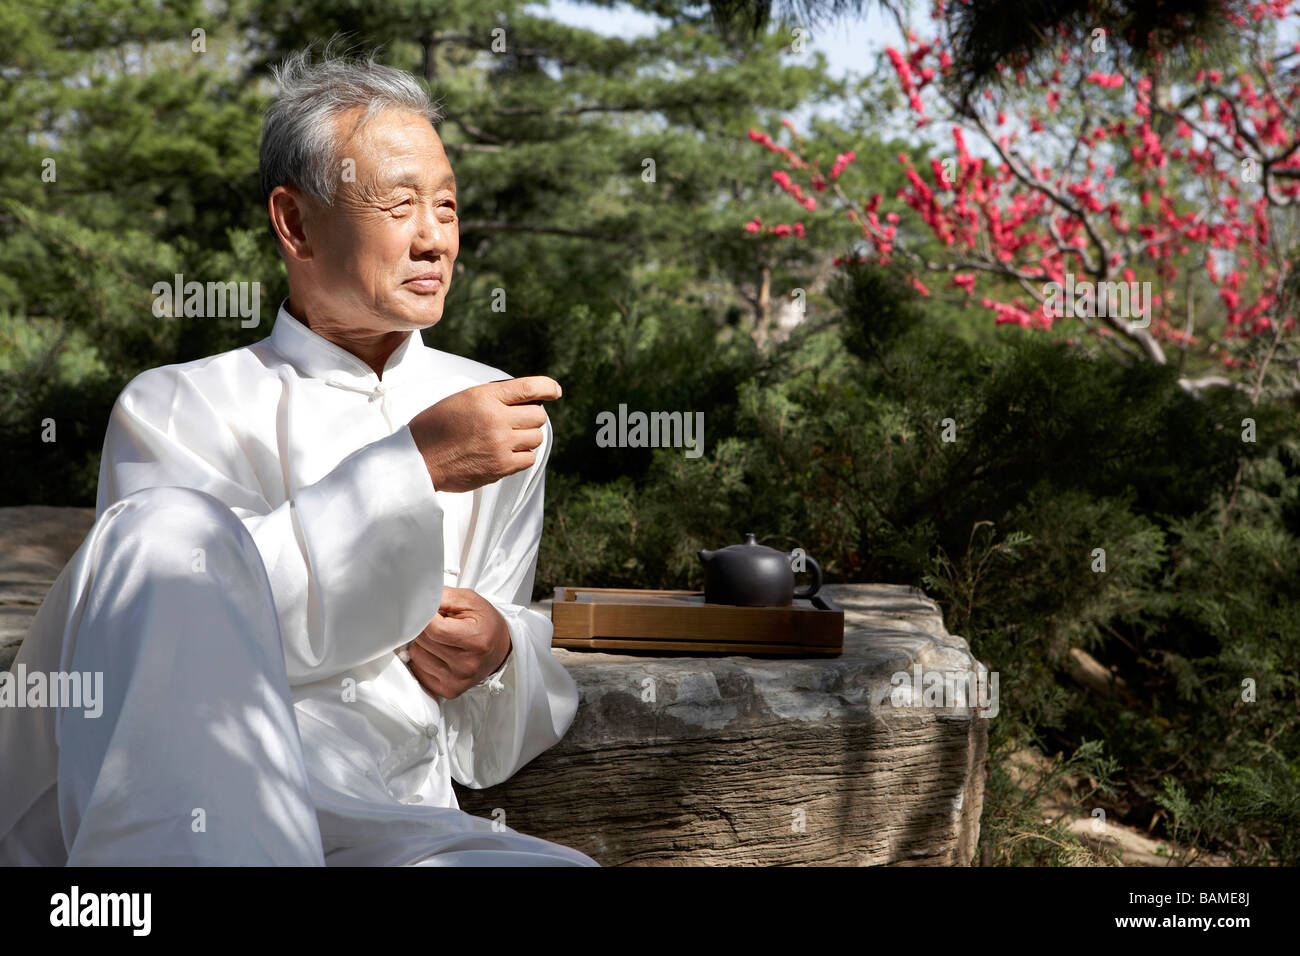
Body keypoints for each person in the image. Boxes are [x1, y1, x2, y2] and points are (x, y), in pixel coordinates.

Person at [0, 46, 598, 867]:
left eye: (449, 207)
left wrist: (496, 652)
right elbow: (176, 635)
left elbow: (482, 740)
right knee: (165, 530)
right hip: (205, 804)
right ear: (294, 221)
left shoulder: (495, 408)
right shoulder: (177, 404)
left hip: (400, 823)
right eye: (400, 204)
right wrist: (411, 467)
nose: (434, 238)